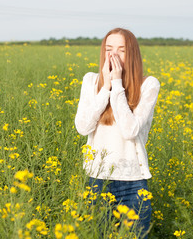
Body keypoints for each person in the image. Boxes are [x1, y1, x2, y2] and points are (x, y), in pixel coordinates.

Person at [75, 28, 160, 238]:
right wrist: (105, 88)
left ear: (132, 54)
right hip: (97, 179)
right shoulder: (90, 81)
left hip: (133, 183)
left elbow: (129, 130)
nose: (113, 55)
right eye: (108, 49)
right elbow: (83, 127)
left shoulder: (148, 84)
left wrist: (117, 83)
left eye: (121, 50)